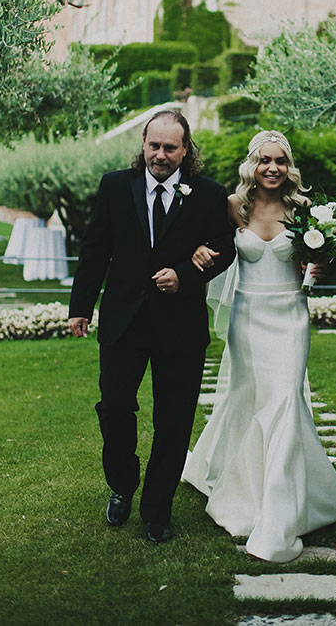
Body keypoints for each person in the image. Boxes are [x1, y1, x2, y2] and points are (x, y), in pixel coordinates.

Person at [68, 110, 235, 544]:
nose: (160, 155)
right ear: (143, 144)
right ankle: (122, 484)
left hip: (180, 326)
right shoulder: (114, 186)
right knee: (114, 407)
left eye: (170, 148)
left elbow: (225, 247)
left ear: (185, 149)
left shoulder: (207, 193)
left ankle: (157, 509)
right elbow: (95, 248)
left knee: (174, 420)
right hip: (123, 322)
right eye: (154, 146)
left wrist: (186, 274)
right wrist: (80, 307)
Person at [182, 131, 336, 562]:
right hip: (248, 317)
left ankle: (279, 509)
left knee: (286, 399)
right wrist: (196, 250)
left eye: (280, 161)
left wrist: (320, 264)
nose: (273, 168)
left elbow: (320, 261)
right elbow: (210, 243)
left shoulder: (306, 209)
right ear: (252, 165)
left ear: (289, 167)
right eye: (264, 160)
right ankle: (237, 479)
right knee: (247, 397)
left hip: (290, 316)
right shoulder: (234, 206)